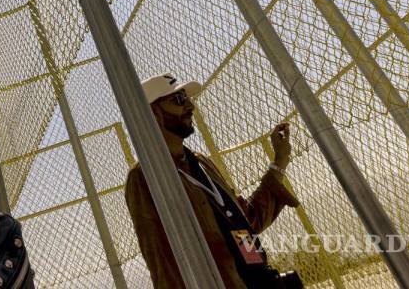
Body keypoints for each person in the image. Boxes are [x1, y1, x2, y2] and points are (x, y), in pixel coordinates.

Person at [125, 74, 302, 288]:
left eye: (188, 99)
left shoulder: (200, 163)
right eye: (179, 100)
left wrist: (280, 161)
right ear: (153, 113)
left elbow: (244, 220)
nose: (191, 106)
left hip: (257, 277)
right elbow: (162, 259)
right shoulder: (145, 175)